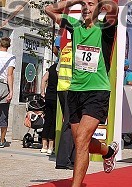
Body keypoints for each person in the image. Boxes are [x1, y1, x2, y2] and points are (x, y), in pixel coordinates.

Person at [44, 0, 119, 186]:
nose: (86, 8)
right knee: (80, 141)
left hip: (97, 91)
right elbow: (49, 9)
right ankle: (108, 151)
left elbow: (114, 8)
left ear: (99, 8)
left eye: (91, 5)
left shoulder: (105, 27)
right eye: (83, 5)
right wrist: (77, 0)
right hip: (75, 91)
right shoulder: (74, 25)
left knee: (83, 139)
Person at [55, 39, 76, 170]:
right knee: (69, 124)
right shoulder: (77, 49)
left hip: (62, 88)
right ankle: (64, 160)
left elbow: (58, 70)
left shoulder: (66, 48)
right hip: (72, 89)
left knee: (71, 122)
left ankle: (72, 158)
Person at [40, 59, 58, 155]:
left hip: (49, 97)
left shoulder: (51, 68)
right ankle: (51, 146)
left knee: (47, 120)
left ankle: (44, 146)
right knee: (54, 121)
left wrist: (42, 92)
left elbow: (43, 79)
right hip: (57, 97)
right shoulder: (62, 69)